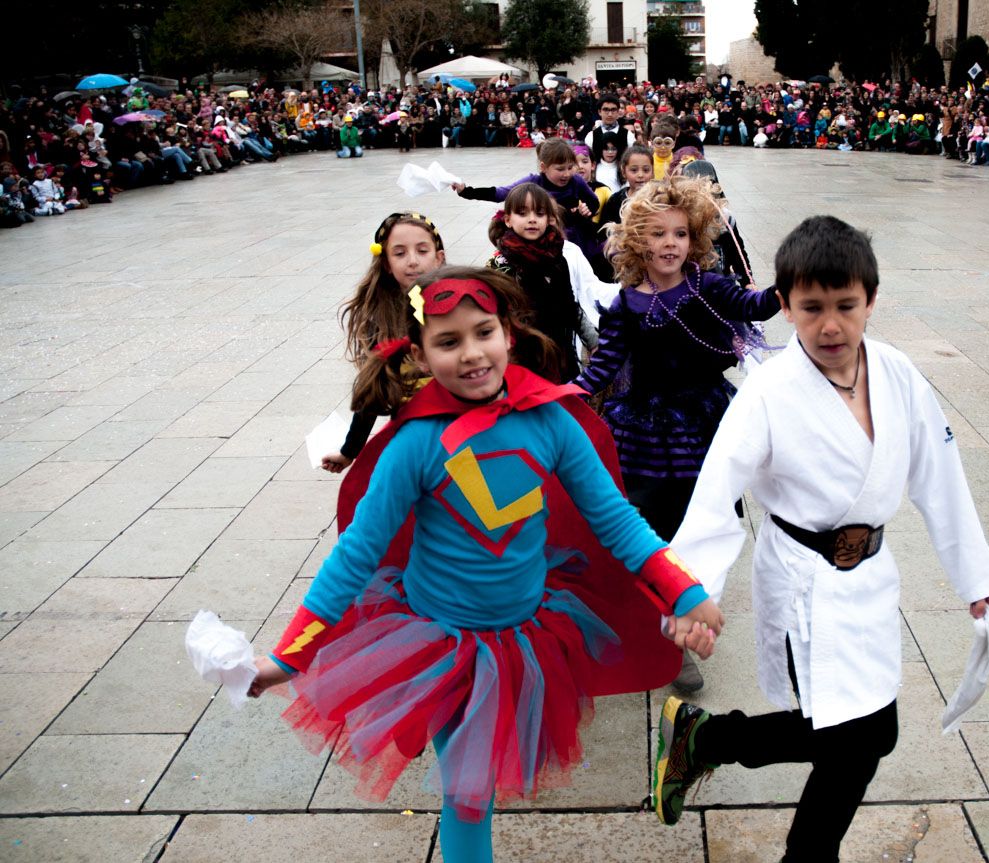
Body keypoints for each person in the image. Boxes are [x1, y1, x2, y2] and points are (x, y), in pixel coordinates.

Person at [248, 265, 723, 863]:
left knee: (484, 785)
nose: (472, 353)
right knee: (469, 798)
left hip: (528, 635)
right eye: (448, 341)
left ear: (508, 334)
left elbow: (615, 520)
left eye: (483, 332)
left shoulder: (550, 421)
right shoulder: (416, 444)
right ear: (419, 354)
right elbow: (354, 557)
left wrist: (683, 590)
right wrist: (289, 657)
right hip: (441, 647)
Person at [652, 216, 989, 862]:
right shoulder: (768, 391)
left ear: (871, 300)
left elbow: (939, 472)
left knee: (864, 731)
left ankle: (707, 740)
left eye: (846, 305)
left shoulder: (897, 373)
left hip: (870, 575)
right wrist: (690, 591)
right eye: (812, 308)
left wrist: (975, 576)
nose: (831, 325)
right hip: (802, 581)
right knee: (858, 739)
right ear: (785, 306)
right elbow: (716, 492)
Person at [575, 175, 781, 692]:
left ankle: (679, 635)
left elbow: (754, 306)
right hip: (642, 433)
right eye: (659, 234)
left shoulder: (710, 287)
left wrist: (793, 282)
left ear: (695, 239)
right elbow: (601, 367)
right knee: (648, 531)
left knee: (696, 528)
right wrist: (558, 396)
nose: (671, 244)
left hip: (702, 426)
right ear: (636, 241)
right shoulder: (627, 303)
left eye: (681, 234)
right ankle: (648, 619)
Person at [322, 212, 447, 474]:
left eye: (422, 251)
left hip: (468, 428)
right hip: (414, 436)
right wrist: (349, 451)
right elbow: (374, 389)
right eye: (399, 253)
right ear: (387, 263)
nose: (412, 261)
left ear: (439, 257)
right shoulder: (382, 321)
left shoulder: (461, 305)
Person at [487, 182, 616, 380]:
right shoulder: (501, 264)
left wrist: (593, 342)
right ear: (508, 220)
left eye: (539, 213)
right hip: (523, 359)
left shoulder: (557, 256)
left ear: (549, 219)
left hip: (561, 355)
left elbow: (570, 307)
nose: (532, 219)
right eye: (522, 213)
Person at [453, 137, 601, 255]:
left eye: (570, 167)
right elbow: (501, 193)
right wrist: (466, 191)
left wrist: (587, 210)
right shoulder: (533, 182)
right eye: (560, 169)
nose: (567, 174)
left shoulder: (576, 181)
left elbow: (593, 202)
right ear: (543, 167)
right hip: (541, 237)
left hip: (574, 237)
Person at [595, 144, 653, 234]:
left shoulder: (658, 200)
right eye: (634, 170)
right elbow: (604, 232)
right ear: (623, 172)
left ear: (652, 172)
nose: (640, 175)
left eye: (646, 170)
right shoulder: (615, 201)